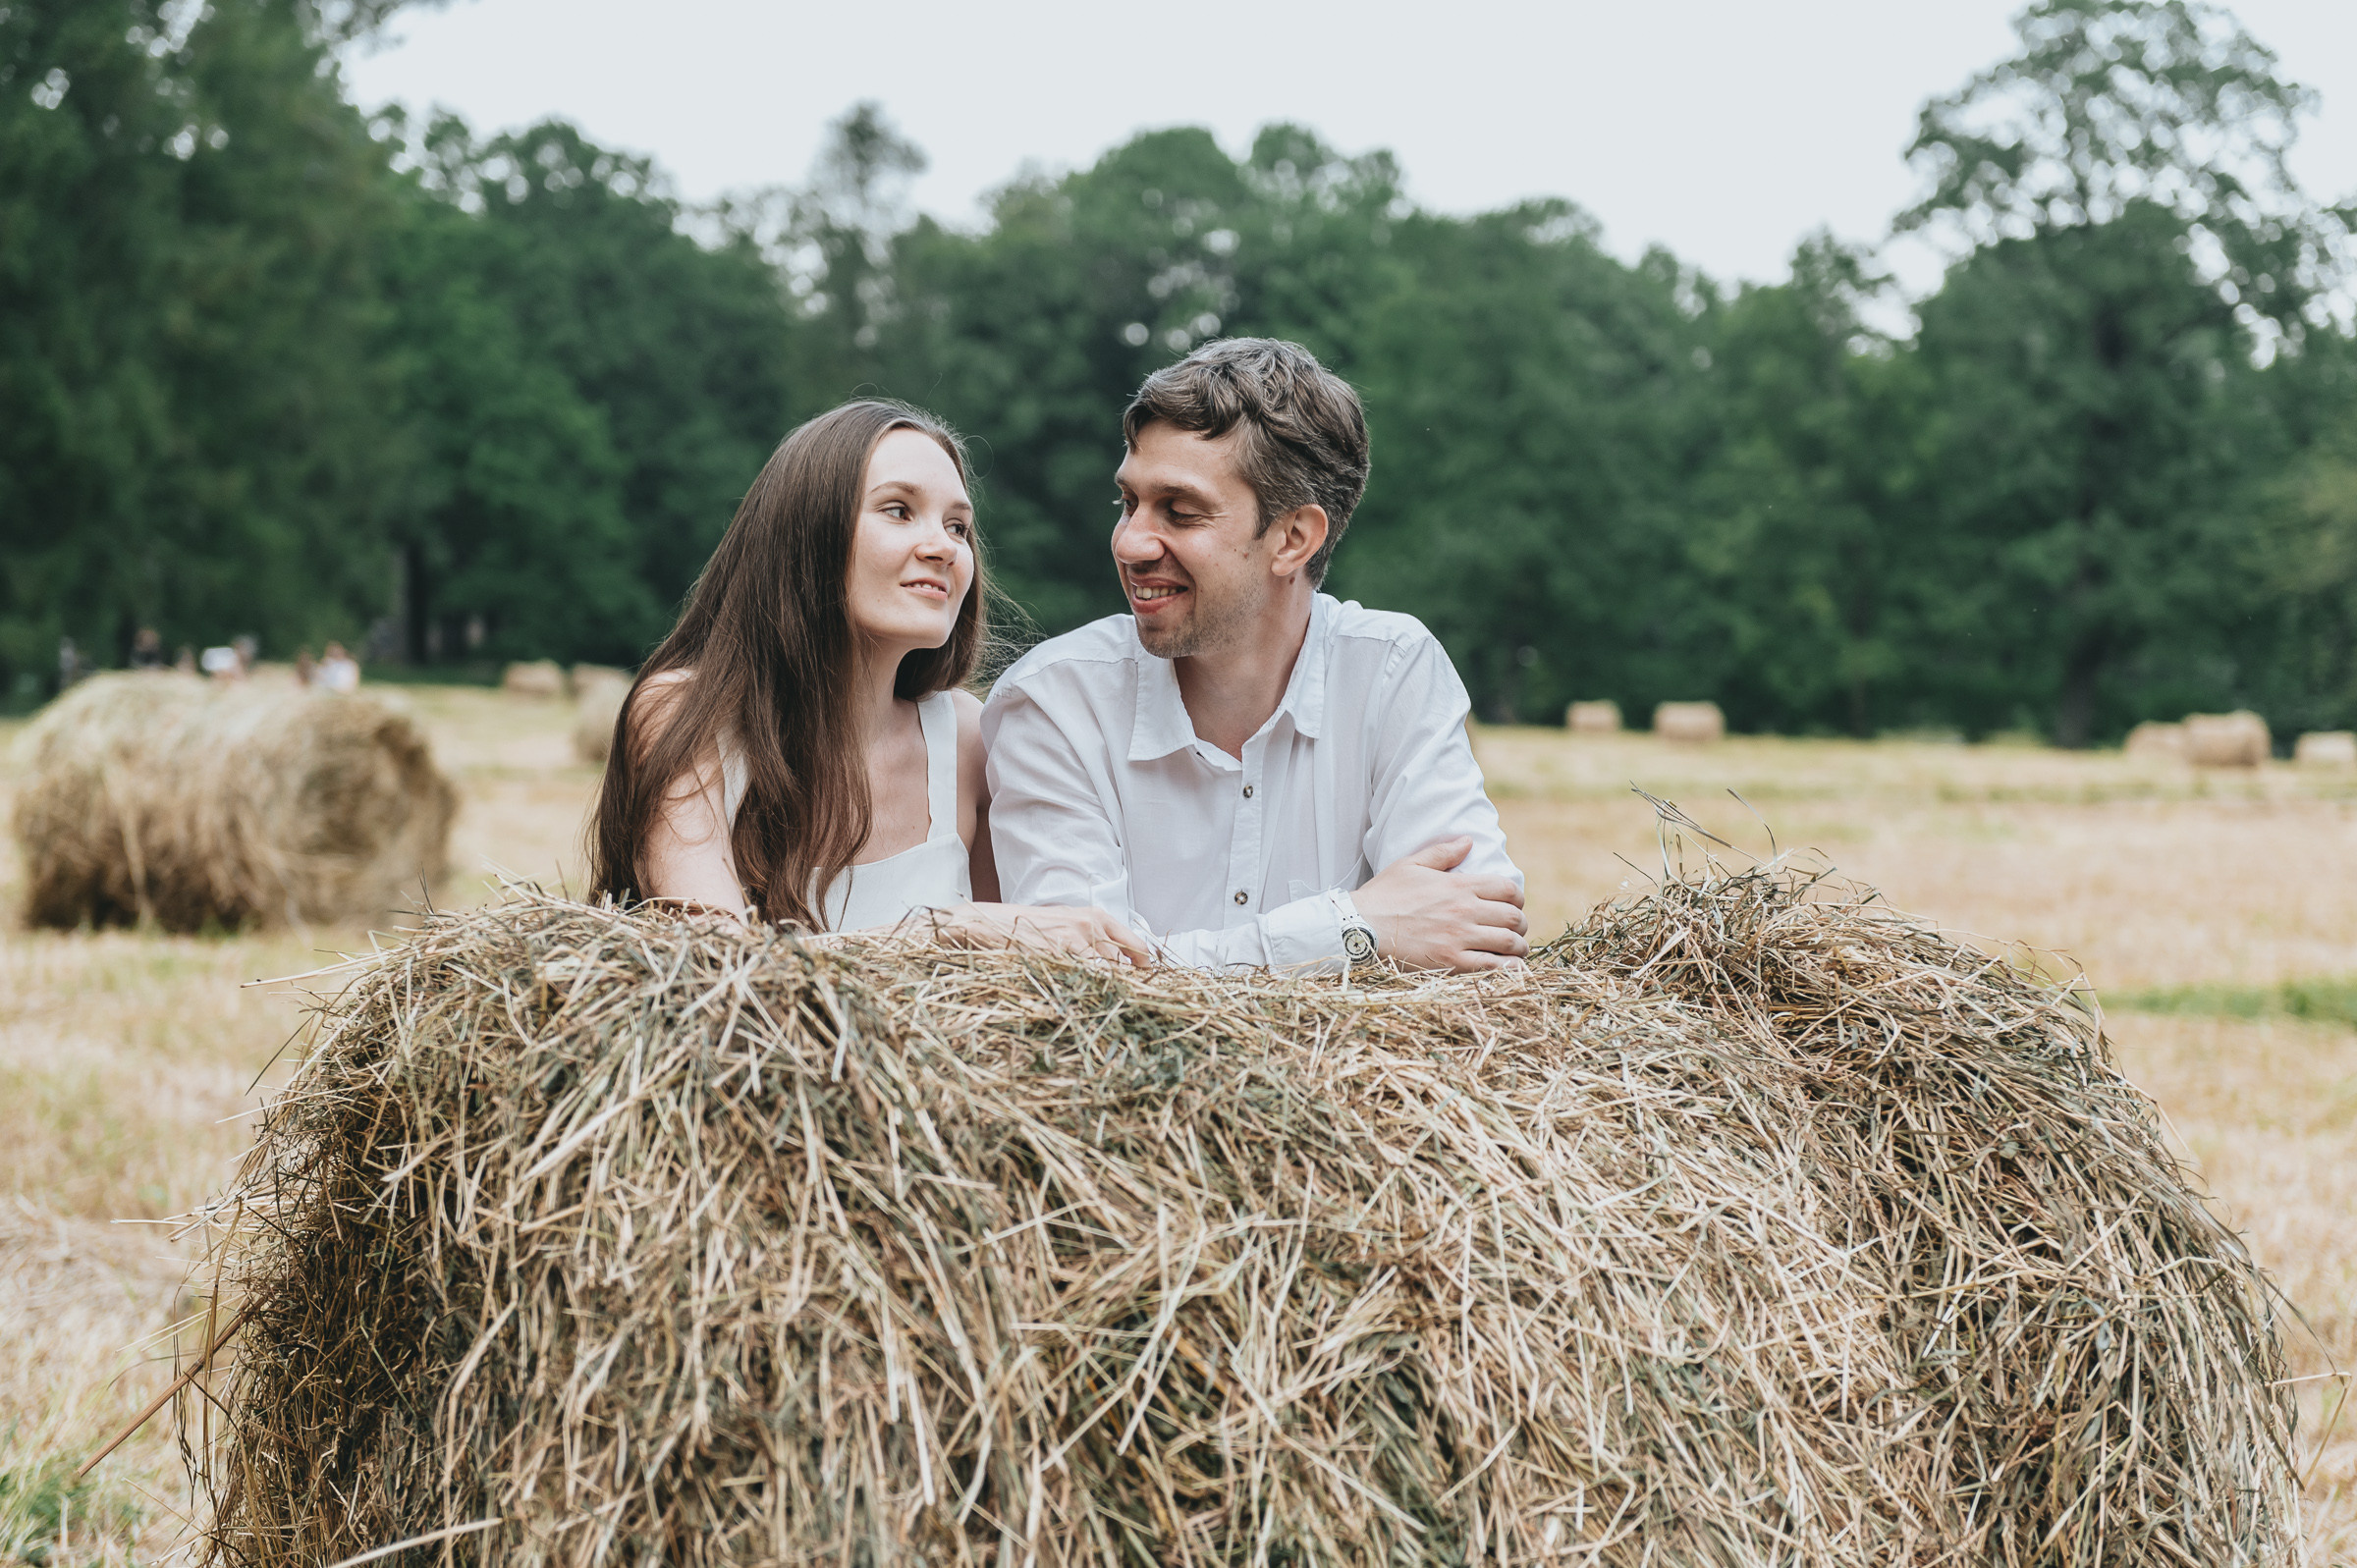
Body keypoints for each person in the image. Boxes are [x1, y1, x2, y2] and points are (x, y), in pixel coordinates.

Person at [982, 338, 1527, 973]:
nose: (1130, 542)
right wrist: (1354, 929)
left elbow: (1482, 945)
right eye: (1127, 503)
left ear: (1293, 538)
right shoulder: (1052, 702)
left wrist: (1176, 965)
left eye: (1179, 512)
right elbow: (1079, 987)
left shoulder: (1391, 670)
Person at [588, 399, 1150, 964]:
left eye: (958, 526)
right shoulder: (686, 715)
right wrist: (943, 930)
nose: (944, 547)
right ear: (806, 531)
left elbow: (1003, 983)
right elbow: (724, 975)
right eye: (899, 510)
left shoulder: (965, 740)